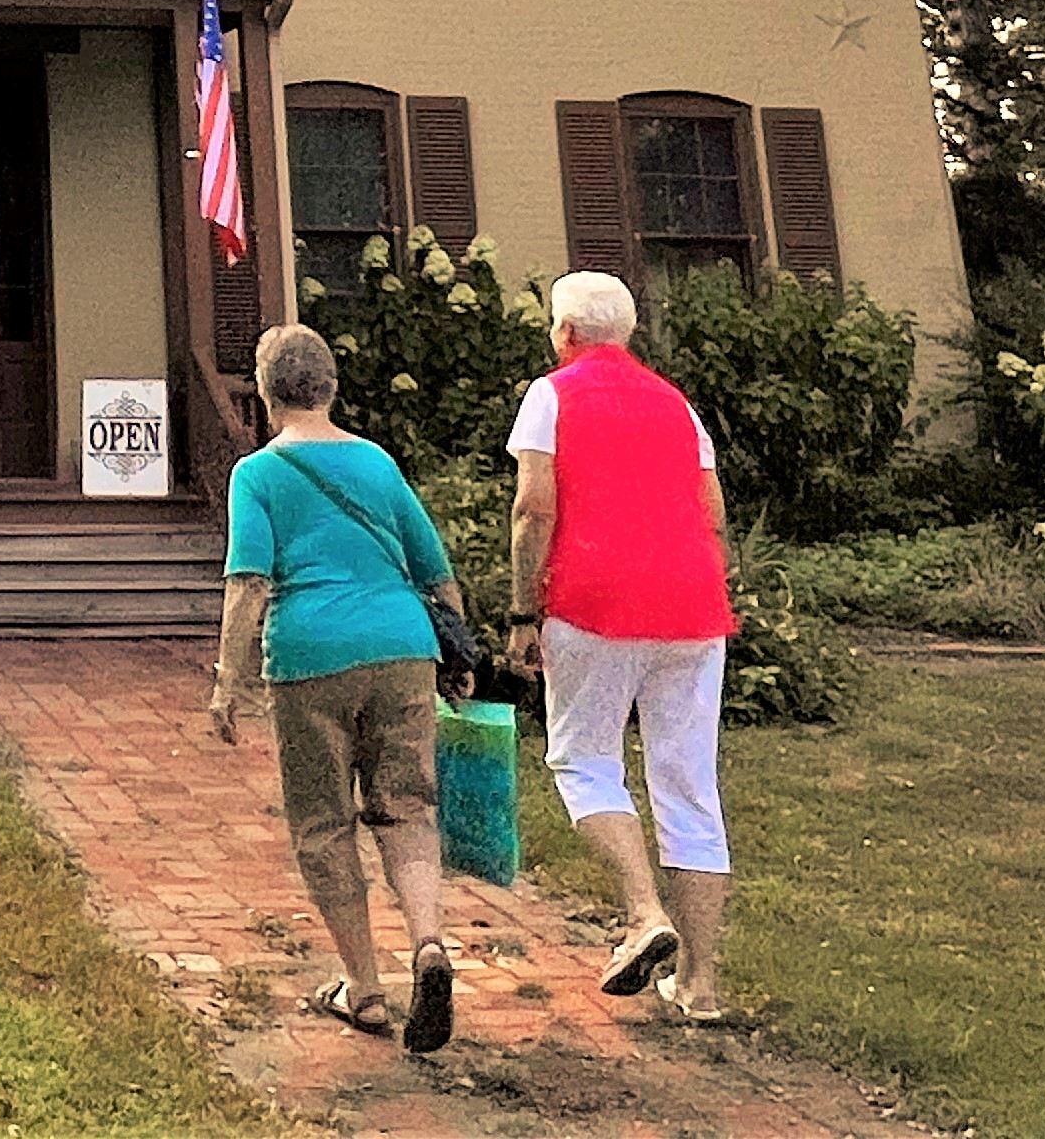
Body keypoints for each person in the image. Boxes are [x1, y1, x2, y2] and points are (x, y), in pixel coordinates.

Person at [207, 321, 467, 1054]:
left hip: (310, 657)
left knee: (323, 826)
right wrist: (459, 650)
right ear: (330, 387)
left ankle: (364, 988)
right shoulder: (378, 463)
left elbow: (248, 582)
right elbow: (434, 568)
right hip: (401, 648)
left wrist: (229, 680)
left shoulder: (257, 474)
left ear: (263, 393)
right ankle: (428, 947)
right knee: (407, 808)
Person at [498, 270, 740, 1023]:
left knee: (582, 756)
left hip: (591, 597)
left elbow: (533, 506)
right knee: (689, 783)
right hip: (693, 606)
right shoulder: (676, 404)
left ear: (564, 332)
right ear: (627, 333)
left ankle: (643, 915)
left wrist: (519, 609)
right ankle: (699, 985)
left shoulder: (552, 393)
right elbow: (712, 512)